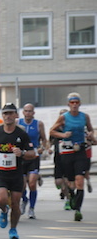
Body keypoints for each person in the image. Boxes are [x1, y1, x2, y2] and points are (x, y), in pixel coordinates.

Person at [0, 103, 37, 239]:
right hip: (0, 172)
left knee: (15, 203)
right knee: (1, 199)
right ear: (2, 116)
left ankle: (13, 229)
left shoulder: (21, 133)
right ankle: (3, 210)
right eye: (5, 113)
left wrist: (22, 152)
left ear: (16, 115)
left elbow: (32, 153)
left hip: (16, 174)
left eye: (11, 113)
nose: (8, 116)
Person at [49, 93, 95, 222]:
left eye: (76, 102)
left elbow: (91, 129)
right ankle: (72, 195)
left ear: (80, 104)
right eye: (72, 102)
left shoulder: (84, 117)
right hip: (67, 151)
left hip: (80, 150)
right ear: (68, 104)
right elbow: (52, 131)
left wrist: (90, 135)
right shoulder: (64, 117)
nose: (74, 105)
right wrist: (63, 135)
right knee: (70, 182)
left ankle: (78, 210)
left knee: (80, 181)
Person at [18, 103, 49, 219]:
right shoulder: (18, 123)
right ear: (23, 112)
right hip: (21, 157)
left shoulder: (38, 124)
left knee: (31, 183)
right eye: (26, 111)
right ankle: (24, 199)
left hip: (34, 156)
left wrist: (43, 148)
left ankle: (31, 208)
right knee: (21, 185)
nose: (28, 113)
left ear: (33, 113)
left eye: (30, 111)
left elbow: (44, 139)